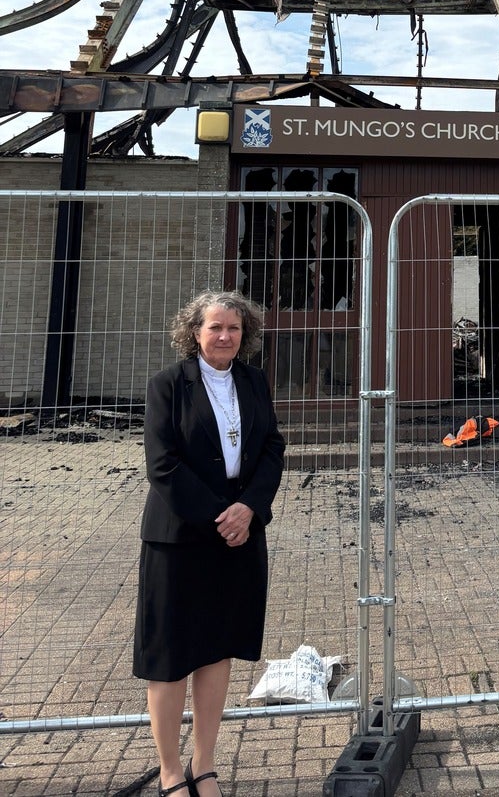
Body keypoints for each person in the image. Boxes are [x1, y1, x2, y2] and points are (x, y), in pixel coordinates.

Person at [133, 291, 285, 797]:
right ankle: (171, 772)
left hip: (239, 535)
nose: (225, 336)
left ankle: (205, 765)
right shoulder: (167, 385)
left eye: (234, 329)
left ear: (246, 336)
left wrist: (251, 509)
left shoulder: (253, 380)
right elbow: (162, 464)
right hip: (180, 537)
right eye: (215, 327)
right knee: (172, 655)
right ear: (194, 331)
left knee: (216, 650)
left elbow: (271, 447)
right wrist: (220, 516)